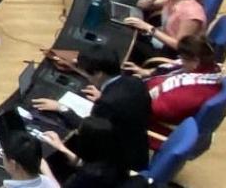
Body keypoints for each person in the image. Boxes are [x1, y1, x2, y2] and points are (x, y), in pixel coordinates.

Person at [32, 46, 150, 176]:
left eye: (86, 73)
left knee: (56, 157)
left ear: (99, 74)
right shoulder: (135, 82)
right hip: (139, 147)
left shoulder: (107, 104)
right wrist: (104, 95)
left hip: (117, 164)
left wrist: (62, 108)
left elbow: (89, 129)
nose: (87, 77)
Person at [144, 35, 223, 137]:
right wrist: (145, 73)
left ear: (195, 61)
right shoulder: (210, 71)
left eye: (183, 59)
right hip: (146, 94)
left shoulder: (192, 93)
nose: (181, 62)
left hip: (148, 124)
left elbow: (149, 109)